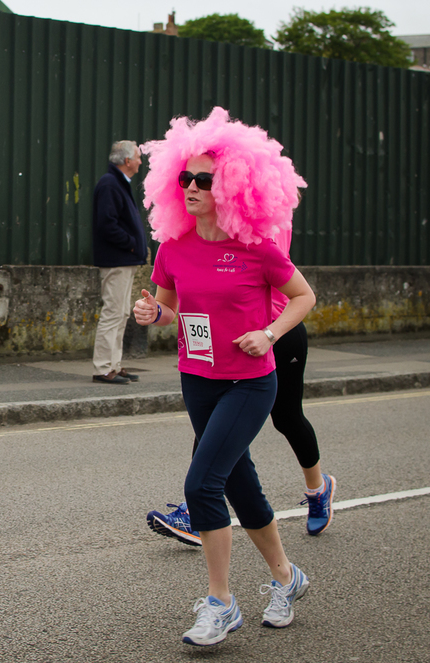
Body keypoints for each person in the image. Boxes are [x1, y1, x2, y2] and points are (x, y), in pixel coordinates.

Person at [133, 107, 316, 646]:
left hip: (250, 381)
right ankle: (287, 577)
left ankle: (221, 603)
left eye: (203, 180)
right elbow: (168, 309)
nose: (189, 186)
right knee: (239, 483)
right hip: (198, 378)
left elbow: (304, 296)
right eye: (184, 177)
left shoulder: (256, 247)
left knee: (201, 483)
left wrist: (272, 333)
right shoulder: (173, 248)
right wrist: (154, 315)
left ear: (232, 187)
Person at [147, 224, 335, 544]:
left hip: (277, 331)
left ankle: (318, 488)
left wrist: (270, 333)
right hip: (226, 342)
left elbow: (300, 292)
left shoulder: (264, 220)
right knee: (216, 429)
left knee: (287, 419)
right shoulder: (194, 233)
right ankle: (199, 507)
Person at [91, 140, 147, 385]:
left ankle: (113, 365)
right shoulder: (111, 184)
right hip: (117, 259)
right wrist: (132, 243)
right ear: (127, 161)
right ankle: (104, 368)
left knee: (121, 313)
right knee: (114, 313)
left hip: (123, 259)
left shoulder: (117, 183)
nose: (140, 162)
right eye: (137, 157)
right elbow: (107, 225)